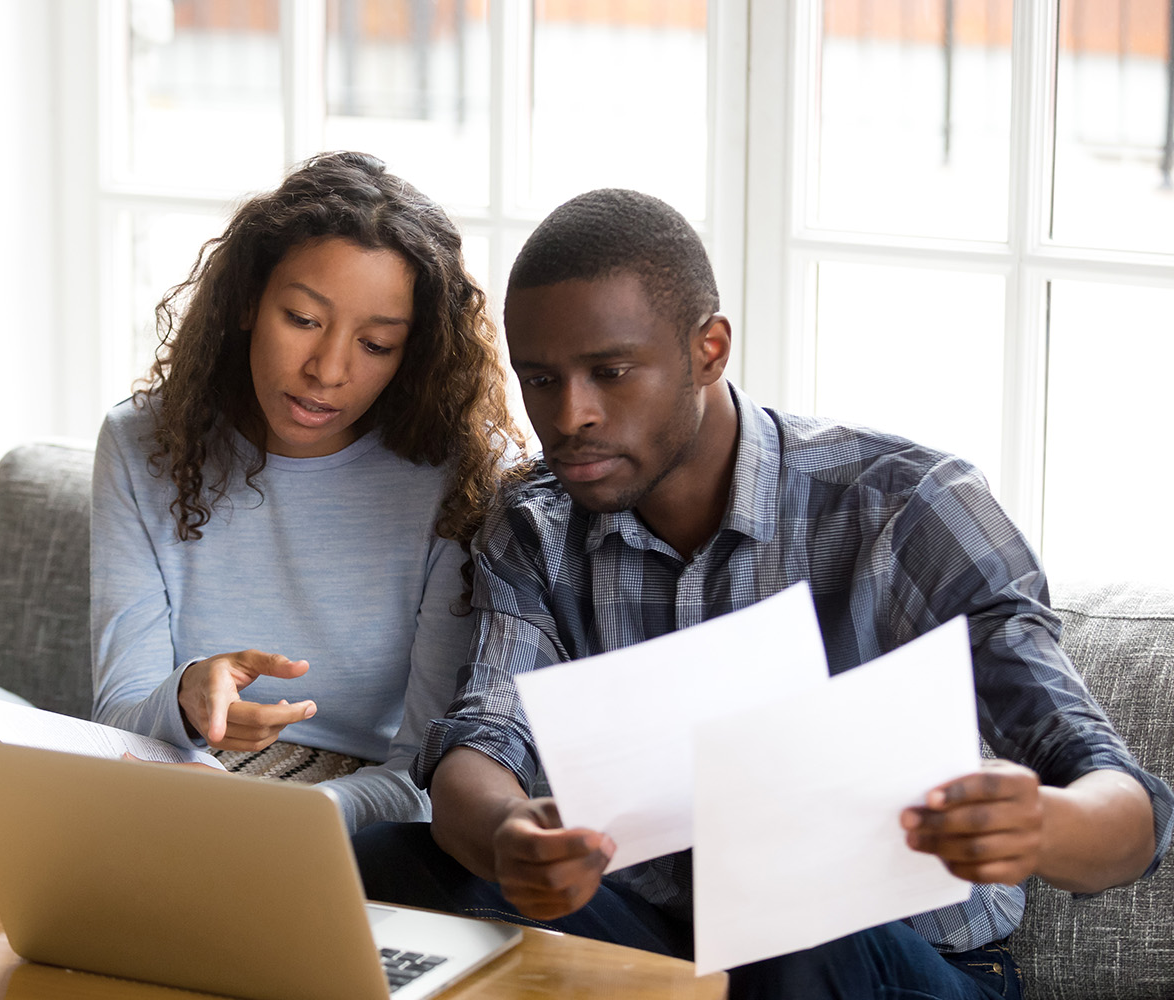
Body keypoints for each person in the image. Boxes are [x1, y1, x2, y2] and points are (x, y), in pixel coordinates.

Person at [353, 188, 1173, 998]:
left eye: (610, 372)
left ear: (709, 349)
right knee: (386, 862)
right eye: (540, 379)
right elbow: (480, 743)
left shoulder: (908, 508)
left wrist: (1042, 825)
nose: (571, 416)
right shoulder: (534, 523)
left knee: (792, 937)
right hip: (667, 948)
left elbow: (1129, 810)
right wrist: (509, 840)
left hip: (895, 966)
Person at [90, 151, 521, 832]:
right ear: (246, 304)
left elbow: (428, 772)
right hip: (178, 787)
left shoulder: (459, 475)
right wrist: (186, 695)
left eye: (376, 345)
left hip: (364, 816)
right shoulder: (142, 443)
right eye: (302, 319)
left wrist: (296, 818)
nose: (328, 370)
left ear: (414, 356)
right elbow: (118, 720)